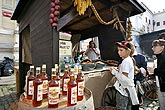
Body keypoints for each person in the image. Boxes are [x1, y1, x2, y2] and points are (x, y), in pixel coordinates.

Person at [110, 41, 139, 110]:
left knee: (121, 107)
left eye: (121, 50)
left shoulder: (126, 61)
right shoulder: (128, 60)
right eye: (118, 50)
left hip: (123, 91)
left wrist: (114, 72)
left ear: (128, 51)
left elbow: (124, 79)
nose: (118, 52)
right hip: (128, 90)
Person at [147, 39, 165, 110]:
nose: (152, 48)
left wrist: (154, 71)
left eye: (155, 46)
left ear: (162, 47)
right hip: (160, 86)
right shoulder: (159, 57)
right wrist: (152, 73)